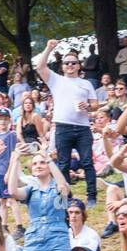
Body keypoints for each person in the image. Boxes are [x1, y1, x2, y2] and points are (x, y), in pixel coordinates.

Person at [36, 40, 99, 206]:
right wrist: (49, 48)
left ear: (79, 66)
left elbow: (95, 105)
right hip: (63, 127)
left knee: (87, 162)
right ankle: (65, 197)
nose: (70, 65)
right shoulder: (56, 80)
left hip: (83, 128)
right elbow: (40, 67)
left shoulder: (86, 84)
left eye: (73, 63)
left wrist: (88, 106)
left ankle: (91, 196)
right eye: (67, 63)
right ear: (62, 66)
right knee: (63, 163)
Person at [4, 144, 72, 251]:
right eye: (34, 163)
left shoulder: (58, 186)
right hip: (34, 238)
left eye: (41, 163)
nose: (38, 166)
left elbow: (63, 186)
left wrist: (48, 159)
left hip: (57, 238)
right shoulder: (30, 189)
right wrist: (15, 160)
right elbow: (12, 191)